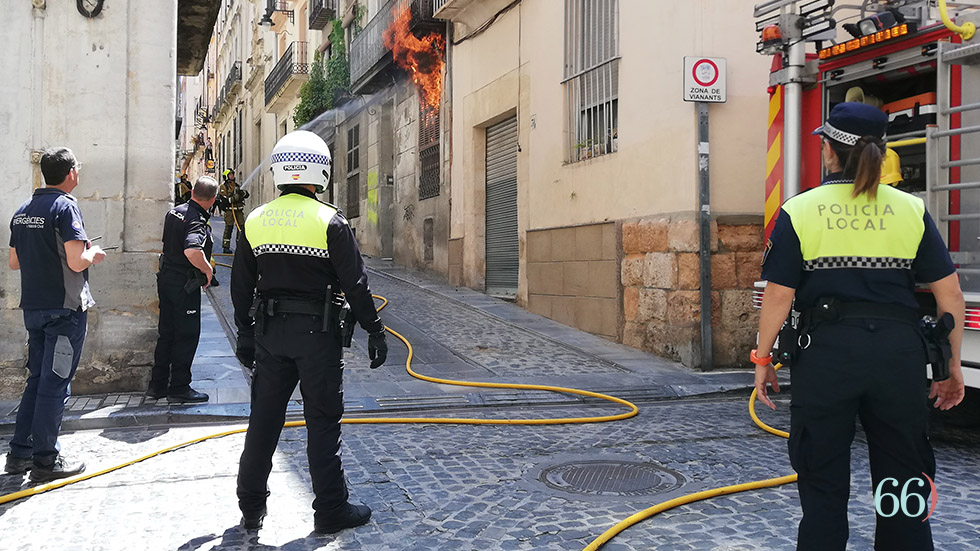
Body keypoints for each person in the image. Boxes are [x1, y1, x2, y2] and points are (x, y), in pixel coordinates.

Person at [753, 102, 965, 551]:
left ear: (829, 150)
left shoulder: (800, 209)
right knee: (903, 476)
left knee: (822, 477)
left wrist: (763, 358)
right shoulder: (910, 209)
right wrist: (951, 367)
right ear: (881, 152)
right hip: (899, 357)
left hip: (826, 357)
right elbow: (950, 296)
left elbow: (778, 296)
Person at [231, 130, 389, 533]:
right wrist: (374, 330)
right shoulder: (331, 221)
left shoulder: (255, 220)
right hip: (318, 336)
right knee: (322, 421)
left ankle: (251, 507)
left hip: (270, 334)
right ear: (321, 173)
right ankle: (331, 509)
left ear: (278, 172)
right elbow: (356, 284)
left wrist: (245, 333)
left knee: (263, 420)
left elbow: (241, 285)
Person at [4, 147, 106, 482]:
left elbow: (14, 262)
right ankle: (46, 460)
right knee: (55, 384)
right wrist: (93, 253)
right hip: (64, 309)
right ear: (70, 173)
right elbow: (76, 262)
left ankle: (19, 453)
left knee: (37, 380)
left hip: (34, 307)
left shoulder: (23, 210)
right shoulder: (65, 207)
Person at [148, 176, 219, 404]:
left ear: (192, 192)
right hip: (183, 284)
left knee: (167, 332)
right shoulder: (197, 219)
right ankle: (179, 387)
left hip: (166, 278)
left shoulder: (174, 212)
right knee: (186, 335)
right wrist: (207, 270)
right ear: (213, 199)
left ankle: (157, 385)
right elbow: (192, 250)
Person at [218, 169, 249, 253]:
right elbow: (224, 200)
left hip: (239, 211)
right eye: (230, 174)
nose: (232, 176)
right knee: (229, 228)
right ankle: (226, 247)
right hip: (229, 211)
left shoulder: (236, 185)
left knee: (241, 228)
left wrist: (243, 193)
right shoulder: (223, 187)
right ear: (226, 176)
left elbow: (245, 195)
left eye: (232, 174)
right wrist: (235, 198)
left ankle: (240, 247)